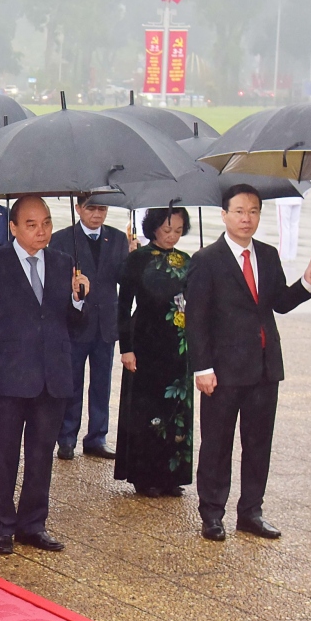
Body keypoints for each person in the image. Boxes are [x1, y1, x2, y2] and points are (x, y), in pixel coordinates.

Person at [187, 184, 311, 542]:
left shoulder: (267, 253)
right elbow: (196, 320)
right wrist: (202, 368)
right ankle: (212, 514)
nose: (247, 219)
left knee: (258, 442)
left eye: (254, 212)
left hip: (264, 367)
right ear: (224, 215)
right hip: (223, 370)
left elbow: (278, 302)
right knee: (217, 444)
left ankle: (251, 512)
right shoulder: (206, 260)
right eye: (239, 211)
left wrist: (307, 284)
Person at [0, 196, 89, 556]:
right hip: (6, 377)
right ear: (13, 228)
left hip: (51, 377)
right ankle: (0, 527)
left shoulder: (64, 263)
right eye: (32, 224)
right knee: (3, 456)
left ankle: (32, 524)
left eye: (47, 223)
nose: (41, 231)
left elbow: (73, 324)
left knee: (41, 456)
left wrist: (79, 299)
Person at [114, 208, 195, 497]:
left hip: (179, 343)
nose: (172, 235)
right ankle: (145, 475)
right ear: (153, 227)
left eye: (178, 229)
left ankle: (173, 475)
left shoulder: (187, 261)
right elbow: (123, 307)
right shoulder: (137, 259)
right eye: (166, 228)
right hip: (146, 340)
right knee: (147, 408)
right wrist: (126, 348)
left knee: (178, 409)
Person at [48, 198, 126, 461]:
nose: (97, 214)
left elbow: (124, 280)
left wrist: (135, 257)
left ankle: (97, 437)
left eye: (102, 209)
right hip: (76, 319)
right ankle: (67, 437)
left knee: (102, 382)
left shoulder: (117, 238)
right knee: (72, 382)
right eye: (91, 208)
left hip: (106, 322)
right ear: (78, 208)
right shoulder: (62, 239)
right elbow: (54, 280)